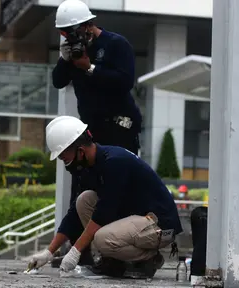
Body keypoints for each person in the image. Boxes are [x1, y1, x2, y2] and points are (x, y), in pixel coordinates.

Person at [28, 116, 183, 277]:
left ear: (80, 151)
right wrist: (48, 252)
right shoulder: (92, 166)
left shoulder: (115, 163)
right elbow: (74, 214)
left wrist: (75, 252)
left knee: (102, 239)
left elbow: (103, 213)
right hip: (140, 219)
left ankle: (149, 259)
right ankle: (113, 261)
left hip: (160, 224)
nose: (66, 164)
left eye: (65, 159)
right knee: (84, 200)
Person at [52, 0, 143, 262]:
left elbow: (125, 81)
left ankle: (117, 250)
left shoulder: (116, 44)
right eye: (65, 33)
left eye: (75, 31)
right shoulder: (72, 51)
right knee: (81, 187)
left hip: (119, 127)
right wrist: (66, 57)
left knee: (116, 187)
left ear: (89, 25)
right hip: (91, 131)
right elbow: (58, 81)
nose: (71, 37)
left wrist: (89, 68)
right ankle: (79, 251)